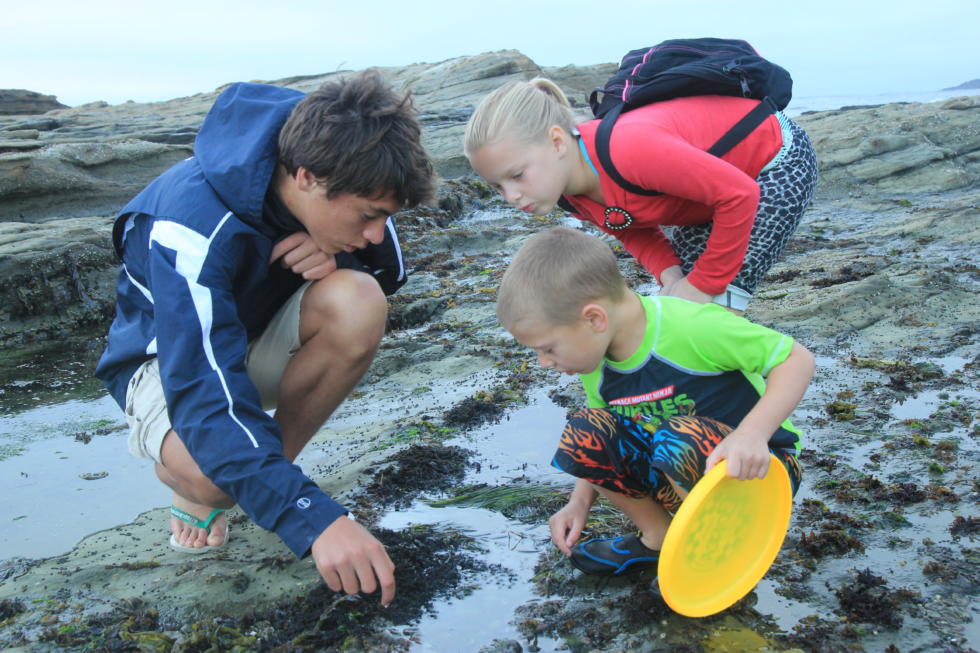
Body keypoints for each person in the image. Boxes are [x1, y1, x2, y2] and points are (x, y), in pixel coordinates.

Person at [95, 70, 434, 606]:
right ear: (306, 177)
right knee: (215, 481)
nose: (376, 231)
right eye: (369, 217)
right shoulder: (189, 224)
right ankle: (220, 484)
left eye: (383, 217)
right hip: (170, 365)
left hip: (258, 345)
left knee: (359, 298)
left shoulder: (347, 164)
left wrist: (336, 255)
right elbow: (204, 394)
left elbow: (388, 270)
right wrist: (314, 519)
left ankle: (265, 475)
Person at [495, 226, 814, 575]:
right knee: (585, 430)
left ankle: (721, 543)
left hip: (761, 471)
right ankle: (659, 537)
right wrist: (578, 503)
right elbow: (604, 436)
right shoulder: (595, 359)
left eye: (548, 348)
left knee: (675, 436)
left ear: (594, 319)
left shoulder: (692, 327)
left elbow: (795, 359)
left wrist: (752, 433)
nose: (544, 363)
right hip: (682, 476)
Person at [465, 78, 818, 312]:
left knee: (712, 305)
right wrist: (672, 277)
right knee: (681, 303)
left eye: (516, 175)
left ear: (557, 141)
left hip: (771, 160)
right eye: (498, 186)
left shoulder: (628, 150)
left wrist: (702, 285)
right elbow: (630, 227)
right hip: (707, 197)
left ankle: (744, 414)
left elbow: (740, 195)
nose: (510, 196)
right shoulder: (566, 191)